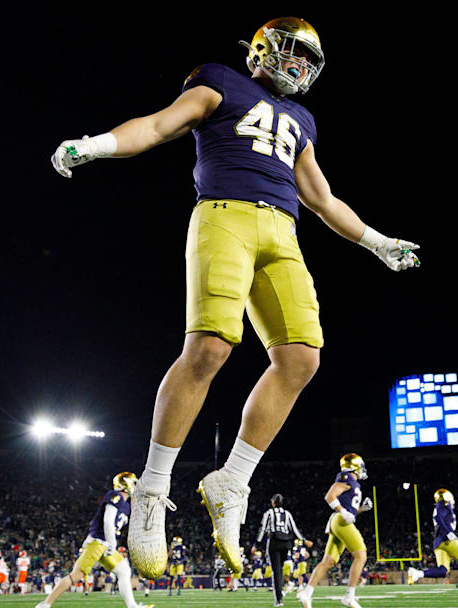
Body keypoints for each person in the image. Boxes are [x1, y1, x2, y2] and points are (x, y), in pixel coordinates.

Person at [49, 16, 421, 581]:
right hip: (224, 214)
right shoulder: (220, 77)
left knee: (301, 358)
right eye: (289, 52)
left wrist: (377, 242)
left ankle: (233, 479)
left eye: (307, 60)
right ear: (262, 50)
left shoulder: (302, 118)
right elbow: (158, 125)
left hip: (284, 232)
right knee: (211, 347)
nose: (297, 66)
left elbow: (321, 197)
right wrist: (95, 144)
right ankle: (152, 489)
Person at [35, 473, 151, 608]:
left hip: (105, 543)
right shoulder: (115, 496)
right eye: (133, 483)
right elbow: (108, 521)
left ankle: (132, 606)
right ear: (125, 483)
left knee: (124, 571)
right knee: (76, 576)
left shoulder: (126, 505)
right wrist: (112, 543)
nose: (135, 486)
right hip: (98, 542)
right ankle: (45, 604)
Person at [297, 454, 373, 608]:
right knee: (361, 555)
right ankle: (349, 597)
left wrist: (361, 510)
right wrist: (343, 511)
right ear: (355, 466)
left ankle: (307, 593)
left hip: (339, 520)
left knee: (328, 562)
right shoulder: (346, 478)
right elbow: (330, 496)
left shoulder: (353, 483)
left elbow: (349, 510)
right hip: (340, 521)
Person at [257, 493, 311, 606]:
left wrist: (257, 544)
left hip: (274, 542)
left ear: (273, 502)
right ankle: (282, 592)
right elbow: (294, 529)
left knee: (276, 571)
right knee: (280, 569)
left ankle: (278, 599)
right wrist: (304, 539)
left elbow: (263, 529)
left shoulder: (269, 513)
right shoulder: (287, 514)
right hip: (286, 543)